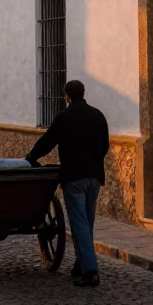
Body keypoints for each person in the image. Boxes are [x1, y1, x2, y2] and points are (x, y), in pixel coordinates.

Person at [26, 79, 109, 288]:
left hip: (74, 177)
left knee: (79, 224)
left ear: (67, 96)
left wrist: (30, 157)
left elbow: (48, 141)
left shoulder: (64, 118)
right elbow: (105, 145)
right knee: (87, 223)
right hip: (95, 177)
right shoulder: (98, 115)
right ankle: (81, 263)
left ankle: (90, 271)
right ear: (83, 93)